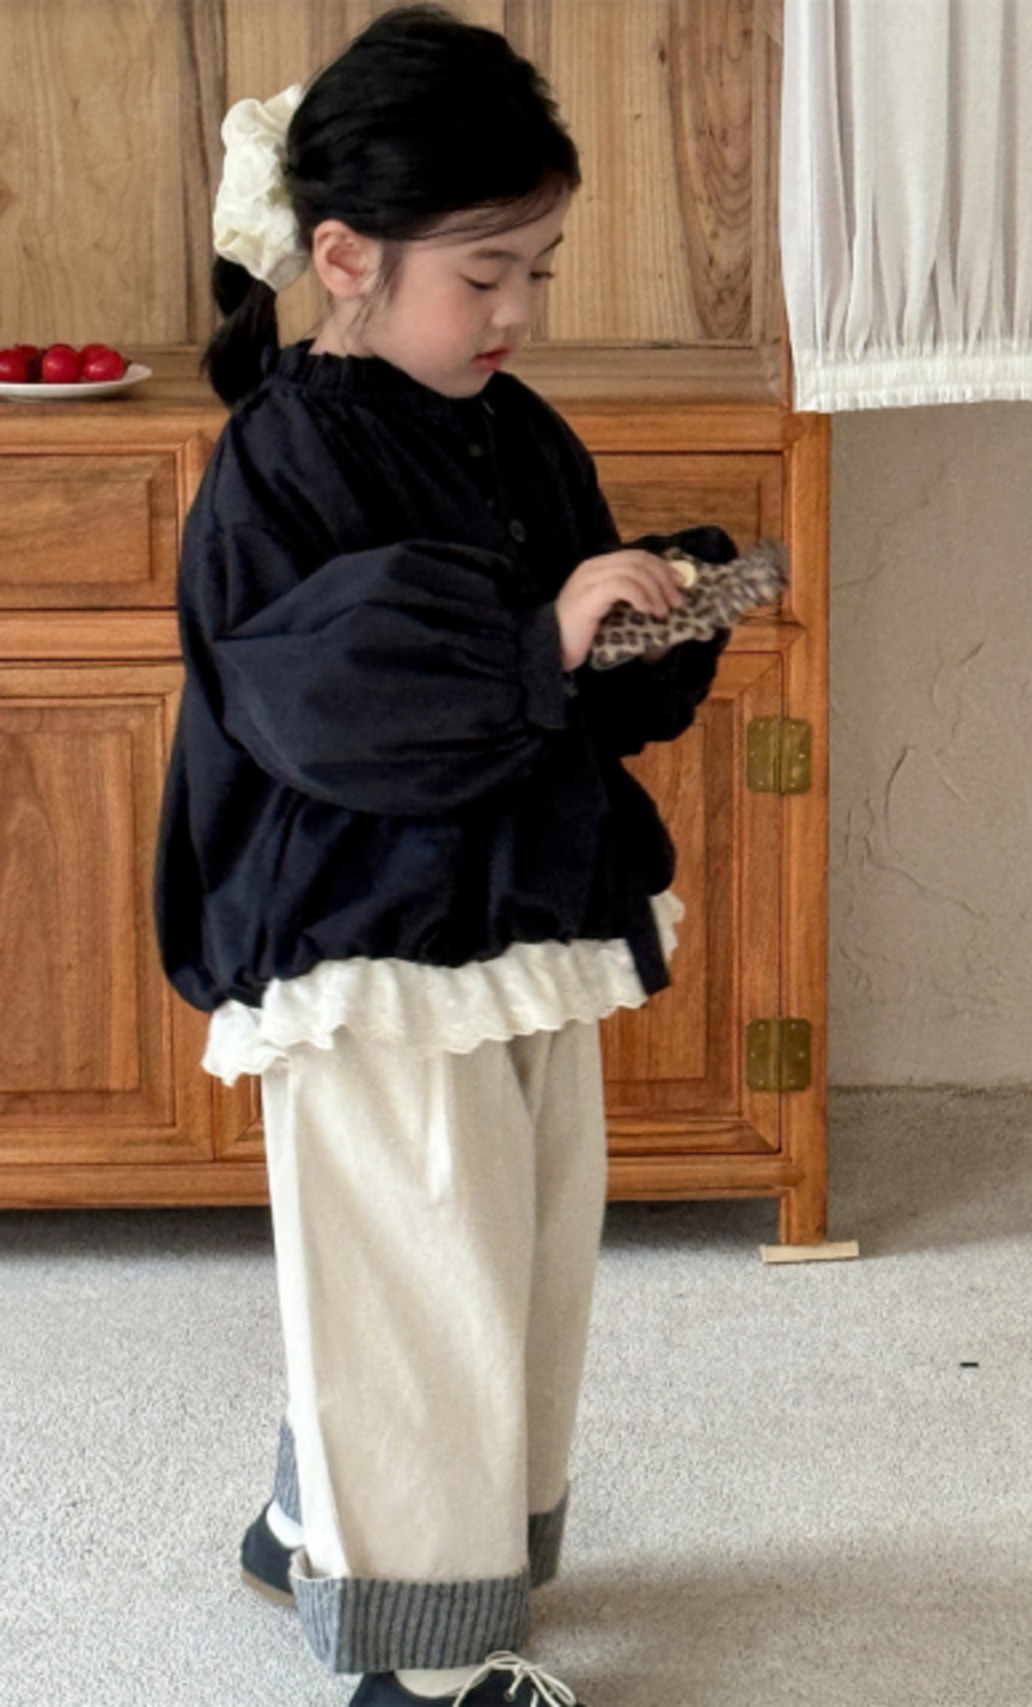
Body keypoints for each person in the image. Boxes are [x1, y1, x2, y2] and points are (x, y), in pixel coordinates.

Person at [154, 7, 736, 1705]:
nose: (517, 312)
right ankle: (417, 1662)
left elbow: (555, 657)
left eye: (537, 271)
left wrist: (641, 612)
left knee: (513, 1264)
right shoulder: (284, 455)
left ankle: (313, 1517)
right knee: (416, 1278)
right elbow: (332, 698)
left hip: (515, 916)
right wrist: (535, 639)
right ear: (346, 257)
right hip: (368, 941)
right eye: (484, 274)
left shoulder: (514, 426)